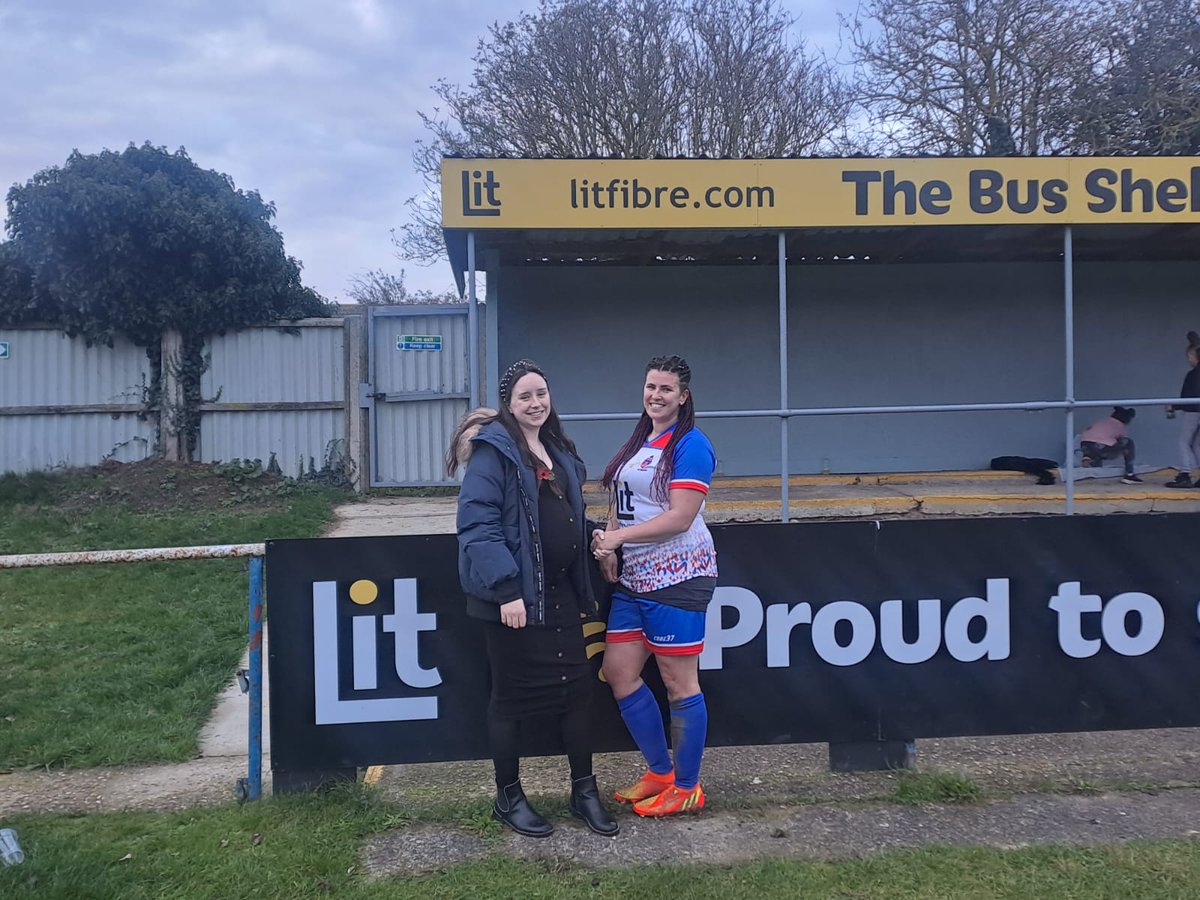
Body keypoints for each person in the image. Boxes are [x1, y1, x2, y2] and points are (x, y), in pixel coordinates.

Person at [447, 359, 618, 838]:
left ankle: (583, 791)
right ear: (508, 404)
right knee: (510, 701)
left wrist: (592, 537)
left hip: (559, 595)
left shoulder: (555, 450)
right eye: (525, 396)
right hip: (514, 603)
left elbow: (559, 519)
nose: (536, 403)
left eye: (541, 393)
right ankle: (508, 797)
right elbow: (477, 528)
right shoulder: (493, 454)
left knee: (579, 695)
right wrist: (507, 591)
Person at [591, 354, 717, 818]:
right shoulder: (640, 438)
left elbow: (681, 516)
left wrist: (619, 538)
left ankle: (687, 787)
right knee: (620, 673)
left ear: (683, 396)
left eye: (666, 389)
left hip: (679, 575)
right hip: (635, 577)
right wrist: (609, 545)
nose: (655, 396)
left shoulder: (692, 444)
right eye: (650, 387)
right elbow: (622, 499)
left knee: (678, 682)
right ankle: (661, 773)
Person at [1165, 338, 1200, 488]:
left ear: (1194, 357)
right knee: (1197, 445)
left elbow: (1187, 397)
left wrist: (1173, 406)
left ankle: (1185, 475)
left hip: (1193, 411)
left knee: (1184, 442)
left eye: (1189, 357)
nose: (1188, 360)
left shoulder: (1192, 375)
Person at [1079, 406, 1141, 484]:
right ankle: (1129, 474)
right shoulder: (1120, 425)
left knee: (1098, 448)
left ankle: (1089, 459)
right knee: (1128, 442)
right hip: (1102, 447)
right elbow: (1122, 441)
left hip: (1085, 445)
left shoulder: (1102, 421)